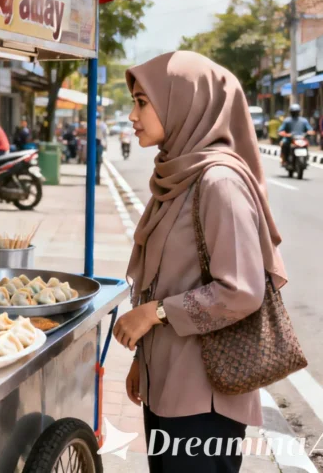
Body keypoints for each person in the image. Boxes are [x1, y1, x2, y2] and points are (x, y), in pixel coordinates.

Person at [114, 52, 287, 473]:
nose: (132, 115)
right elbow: (165, 277)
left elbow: (242, 289)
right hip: (168, 382)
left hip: (205, 396)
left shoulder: (219, 183)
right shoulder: (178, 175)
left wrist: (152, 315)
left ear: (184, 102)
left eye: (142, 102)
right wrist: (144, 360)